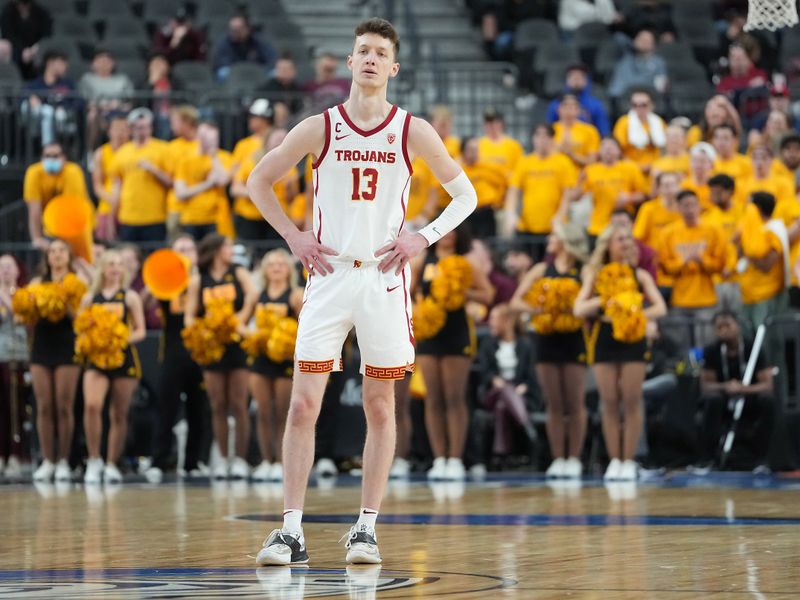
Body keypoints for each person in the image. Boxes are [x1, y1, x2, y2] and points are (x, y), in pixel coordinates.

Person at [246, 18, 480, 566]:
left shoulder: (412, 130)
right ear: (350, 63)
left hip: (383, 278)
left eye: (380, 53)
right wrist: (293, 236)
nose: (370, 59)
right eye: (362, 51)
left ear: (393, 68)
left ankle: (366, 528)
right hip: (328, 277)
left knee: (380, 404)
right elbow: (258, 180)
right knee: (303, 405)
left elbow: (465, 195)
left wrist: (423, 236)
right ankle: (290, 531)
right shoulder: (319, 126)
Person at [574, 223, 666, 481]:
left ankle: (629, 460)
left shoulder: (640, 275)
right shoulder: (597, 274)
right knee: (610, 401)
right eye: (619, 238)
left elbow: (660, 308)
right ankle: (614, 460)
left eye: (628, 238)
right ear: (608, 245)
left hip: (633, 339)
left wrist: (634, 315)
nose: (625, 242)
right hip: (604, 337)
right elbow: (579, 308)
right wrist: (608, 302)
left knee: (632, 400)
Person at [413, 226, 494, 481]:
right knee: (433, 397)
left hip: (456, 332)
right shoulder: (422, 259)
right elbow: (409, 290)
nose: (447, 234)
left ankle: (456, 459)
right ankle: (439, 459)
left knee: (454, 397)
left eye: (452, 230)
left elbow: (488, 294)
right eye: (443, 229)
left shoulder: (467, 262)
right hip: (429, 332)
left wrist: (461, 291)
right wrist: (418, 310)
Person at [510, 222, 589, 478]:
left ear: (565, 240)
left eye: (554, 236)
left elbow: (588, 301)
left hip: (575, 338)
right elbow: (516, 301)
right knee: (554, 402)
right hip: (545, 338)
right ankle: (558, 458)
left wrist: (571, 307)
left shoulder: (583, 269)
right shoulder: (542, 269)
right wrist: (540, 310)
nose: (549, 241)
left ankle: (574, 458)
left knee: (575, 402)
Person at [184, 234, 256, 480]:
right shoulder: (199, 279)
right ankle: (224, 459)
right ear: (215, 250)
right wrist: (202, 329)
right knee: (217, 405)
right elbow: (190, 315)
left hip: (235, 343)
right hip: (213, 346)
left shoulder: (238, 272)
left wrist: (240, 319)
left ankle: (241, 460)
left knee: (238, 403)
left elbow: (252, 295)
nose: (230, 250)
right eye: (227, 246)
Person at [81, 249, 146, 484]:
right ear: (103, 269)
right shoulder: (90, 298)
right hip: (96, 360)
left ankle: (111, 463)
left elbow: (141, 330)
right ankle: (94, 459)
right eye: (110, 264)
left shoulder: (129, 297)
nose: (115, 268)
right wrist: (94, 340)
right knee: (92, 405)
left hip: (123, 358)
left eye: (119, 264)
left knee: (119, 412)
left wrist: (119, 339)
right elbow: (80, 328)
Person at [146, 235, 208, 482]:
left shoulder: (204, 280)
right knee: (166, 408)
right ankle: (160, 460)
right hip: (171, 352)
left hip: (199, 353)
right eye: (179, 249)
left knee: (198, 409)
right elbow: (147, 302)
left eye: (188, 248)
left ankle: (193, 462)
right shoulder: (165, 279)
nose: (184, 252)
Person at [26, 239, 82, 482]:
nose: (57, 255)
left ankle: (63, 460)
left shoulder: (76, 283)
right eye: (53, 251)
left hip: (66, 344)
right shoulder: (37, 283)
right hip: (42, 345)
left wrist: (65, 302)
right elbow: (25, 315)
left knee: (63, 405)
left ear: (68, 256)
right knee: (44, 405)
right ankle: (47, 459)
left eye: (62, 250)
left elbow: (81, 317)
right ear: (47, 257)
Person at [249, 249, 303, 482]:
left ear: (288, 269)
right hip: (261, 359)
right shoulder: (257, 295)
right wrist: (257, 336)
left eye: (281, 263)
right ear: (265, 270)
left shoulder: (295, 295)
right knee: (263, 412)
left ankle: (282, 463)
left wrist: (285, 337)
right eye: (271, 264)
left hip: (284, 360)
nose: (276, 267)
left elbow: (306, 326)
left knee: (283, 413)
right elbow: (239, 324)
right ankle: (266, 461)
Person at [700, 311, 775, 468]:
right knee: (712, 399)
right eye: (719, 327)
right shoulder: (712, 350)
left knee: (768, 400)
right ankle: (709, 458)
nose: (724, 330)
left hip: (749, 396)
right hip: (723, 397)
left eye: (728, 325)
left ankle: (762, 458)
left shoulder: (752, 348)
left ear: (738, 326)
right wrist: (725, 386)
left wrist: (743, 388)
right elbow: (706, 384)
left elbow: (767, 384)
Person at [658, 190, 727, 346]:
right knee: (682, 350)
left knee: (706, 346)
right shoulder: (668, 233)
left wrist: (702, 261)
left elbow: (720, 265)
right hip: (680, 300)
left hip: (706, 299)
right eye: (685, 205)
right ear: (678, 208)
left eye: (693, 204)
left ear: (699, 206)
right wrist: (683, 262)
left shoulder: (713, 230)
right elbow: (664, 267)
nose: (689, 209)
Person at [477, 303, 536, 462]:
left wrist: (525, 386)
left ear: (508, 321)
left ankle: (501, 455)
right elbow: (485, 372)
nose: (490, 322)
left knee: (502, 406)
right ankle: (525, 425)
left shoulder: (525, 345)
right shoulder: (487, 344)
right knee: (503, 390)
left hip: (519, 393)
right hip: (493, 392)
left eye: (495, 319)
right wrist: (494, 379)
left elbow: (531, 375)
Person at [504, 124, 578, 251]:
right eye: (538, 135)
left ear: (552, 139)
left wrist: (560, 216)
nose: (541, 140)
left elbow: (568, 194)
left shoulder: (563, 162)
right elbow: (513, 190)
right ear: (533, 139)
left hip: (553, 228)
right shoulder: (525, 162)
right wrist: (510, 213)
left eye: (546, 136)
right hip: (526, 227)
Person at [109, 108, 172, 242]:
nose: (142, 131)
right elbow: (116, 188)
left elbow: (171, 182)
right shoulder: (122, 152)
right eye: (138, 127)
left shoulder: (163, 149)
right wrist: (111, 217)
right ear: (131, 129)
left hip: (155, 217)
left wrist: (154, 170)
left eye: (145, 127)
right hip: (128, 217)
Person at [571, 137, 647, 244]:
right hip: (598, 227)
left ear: (619, 150)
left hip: (623, 226)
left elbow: (644, 195)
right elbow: (575, 197)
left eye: (611, 146)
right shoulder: (591, 170)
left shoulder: (630, 168)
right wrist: (579, 182)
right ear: (599, 151)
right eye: (604, 146)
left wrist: (629, 197)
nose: (608, 149)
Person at [231, 128, 299, 242]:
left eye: (284, 139)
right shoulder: (251, 161)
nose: (280, 142)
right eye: (277, 139)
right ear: (267, 141)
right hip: (250, 217)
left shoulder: (290, 166)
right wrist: (259, 194)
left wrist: (289, 187)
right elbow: (235, 189)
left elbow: (292, 197)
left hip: (277, 218)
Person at [24, 141, 90, 250]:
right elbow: (34, 209)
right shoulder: (33, 173)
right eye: (47, 156)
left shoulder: (73, 172)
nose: (51, 159)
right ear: (41, 158)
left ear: (64, 158)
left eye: (56, 156)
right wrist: (37, 238)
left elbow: (70, 209)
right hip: (48, 228)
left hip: (76, 227)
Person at [174, 121, 234, 240]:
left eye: (213, 138)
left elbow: (223, 180)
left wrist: (213, 155)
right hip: (191, 218)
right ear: (199, 136)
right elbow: (180, 193)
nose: (211, 141)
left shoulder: (224, 157)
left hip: (216, 218)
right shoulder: (186, 159)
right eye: (207, 137)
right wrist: (208, 183)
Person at [739, 192, 789, 332]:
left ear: (757, 208)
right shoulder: (752, 229)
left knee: (767, 341)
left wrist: (749, 255)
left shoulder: (775, 230)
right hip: (748, 295)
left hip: (767, 296)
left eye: (749, 205)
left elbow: (767, 265)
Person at [0, 255, 29, 479]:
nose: (5, 271)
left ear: (17, 271)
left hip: (17, 357)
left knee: (15, 408)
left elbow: (22, 318)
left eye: (9, 267)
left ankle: (17, 455)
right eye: (1, 268)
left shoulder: (24, 294)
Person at [23, 50, 80, 145]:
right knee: (31, 107)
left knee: (52, 114)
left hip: (59, 120)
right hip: (35, 119)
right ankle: (47, 147)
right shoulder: (35, 84)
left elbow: (79, 101)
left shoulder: (68, 84)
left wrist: (64, 108)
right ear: (50, 62)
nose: (65, 66)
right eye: (61, 62)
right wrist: (30, 98)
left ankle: (47, 147)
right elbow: (21, 96)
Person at [92, 113, 130, 241]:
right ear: (109, 131)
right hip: (107, 208)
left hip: (129, 209)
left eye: (124, 129)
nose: (120, 133)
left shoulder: (133, 151)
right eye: (116, 129)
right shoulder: (101, 153)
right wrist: (112, 200)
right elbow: (97, 186)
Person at [460, 136, 507, 239]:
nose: (474, 152)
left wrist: (498, 202)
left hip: (486, 212)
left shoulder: (488, 168)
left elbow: (504, 185)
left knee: (489, 244)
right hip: (466, 214)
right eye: (471, 149)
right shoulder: (459, 171)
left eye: (476, 149)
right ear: (463, 152)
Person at [546, 64, 610, 137]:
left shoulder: (596, 105)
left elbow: (604, 132)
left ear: (586, 80)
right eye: (573, 77)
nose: (576, 80)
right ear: (567, 80)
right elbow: (549, 131)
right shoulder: (555, 105)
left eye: (580, 77)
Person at [164, 104, 200, 236]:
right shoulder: (172, 147)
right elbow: (169, 178)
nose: (172, 126)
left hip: (202, 210)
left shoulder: (203, 146)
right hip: (176, 207)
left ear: (187, 122)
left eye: (174, 121)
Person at [612, 88, 665, 174]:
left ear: (651, 106)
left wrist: (656, 165)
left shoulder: (659, 122)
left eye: (643, 105)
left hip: (656, 168)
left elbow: (664, 148)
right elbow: (618, 150)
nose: (639, 108)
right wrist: (635, 166)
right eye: (635, 105)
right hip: (630, 168)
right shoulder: (624, 122)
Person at [212, 13, 277, 82]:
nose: (234, 32)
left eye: (238, 29)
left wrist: (260, 71)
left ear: (247, 29)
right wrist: (243, 71)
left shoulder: (259, 40)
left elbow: (272, 59)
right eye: (232, 29)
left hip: (258, 73)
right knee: (223, 73)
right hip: (235, 74)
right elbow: (224, 63)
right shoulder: (224, 42)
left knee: (275, 73)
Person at [608, 29, 667, 102]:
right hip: (625, 102)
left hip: (647, 102)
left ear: (653, 45)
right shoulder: (625, 59)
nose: (641, 41)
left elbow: (660, 88)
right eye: (639, 38)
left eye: (645, 39)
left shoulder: (659, 63)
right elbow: (618, 37)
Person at [0, 0, 52, 80]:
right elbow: (7, 35)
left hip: (35, 48)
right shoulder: (8, 11)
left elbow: (47, 34)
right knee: (3, 46)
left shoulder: (41, 12)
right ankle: (7, 78)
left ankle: (41, 82)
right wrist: (22, 50)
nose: (22, 7)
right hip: (15, 48)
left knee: (44, 50)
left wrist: (35, 48)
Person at [553, 93, 600, 167]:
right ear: (558, 109)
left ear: (578, 110)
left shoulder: (590, 131)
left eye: (572, 107)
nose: (568, 111)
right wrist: (559, 149)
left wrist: (571, 154)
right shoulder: (550, 130)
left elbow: (592, 161)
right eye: (565, 106)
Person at [478, 108, 524, 180]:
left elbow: (520, 171)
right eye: (488, 122)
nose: (491, 125)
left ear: (502, 123)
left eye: (494, 122)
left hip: (506, 187)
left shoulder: (514, 146)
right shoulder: (478, 144)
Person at [232, 99, 274, 170]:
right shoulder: (243, 144)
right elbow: (233, 171)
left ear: (266, 119)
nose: (249, 119)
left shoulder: (275, 142)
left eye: (253, 116)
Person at [260, 53, 303, 117]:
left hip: (293, 120)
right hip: (268, 118)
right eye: (280, 69)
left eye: (286, 69)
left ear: (294, 71)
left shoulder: (297, 88)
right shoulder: (269, 87)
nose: (283, 72)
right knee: (279, 109)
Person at [682, 142, 717, 211]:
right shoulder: (684, 186)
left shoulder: (717, 187)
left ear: (712, 165)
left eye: (702, 161)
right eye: (695, 161)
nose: (698, 165)